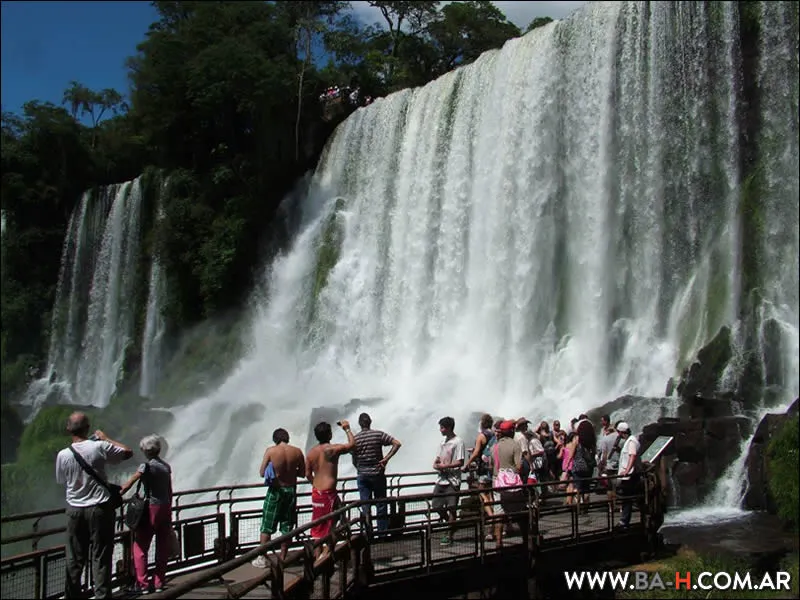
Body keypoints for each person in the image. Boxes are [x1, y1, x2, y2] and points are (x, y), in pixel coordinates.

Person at [55, 412, 133, 599]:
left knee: (74, 559)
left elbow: (61, 480)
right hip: (99, 509)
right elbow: (128, 452)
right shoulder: (99, 446)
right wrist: (106, 438)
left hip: (74, 510)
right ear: (88, 428)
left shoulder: (63, 455)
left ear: (68, 428)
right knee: (101, 557)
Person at [120, 435, 173, 594]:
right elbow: (170, 490)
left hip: (150, 508)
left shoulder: (146, 466)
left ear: (144, 451)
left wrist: (121, 491)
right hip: (165, 507)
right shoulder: (166, 466)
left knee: (141, 546)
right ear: (159, 449)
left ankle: (142, 584)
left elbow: (133, 480)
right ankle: (159, 583)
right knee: (162, 546)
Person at [251, 428, 306, 567]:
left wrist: (273, 469)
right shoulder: (297, 451)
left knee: (267, 525)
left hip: (276, 491)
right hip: (291, 491)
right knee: (287, 525)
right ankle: (283, 557)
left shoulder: (271, 451)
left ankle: (262, 557)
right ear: (287, 438)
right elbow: (303, 473)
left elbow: (262, 473)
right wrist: (291, 471)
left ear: (275, 439)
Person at [306, 420, 355, 558]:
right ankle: (325, 554)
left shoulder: (311, 453)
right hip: (328, 494)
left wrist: (316, 484)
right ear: (329, 434)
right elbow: (352, 445)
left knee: (318, 525)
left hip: (317, 493)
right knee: (332, 524)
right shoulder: (332, 450)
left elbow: (307, 474)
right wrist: (347, 429)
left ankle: (319, 556)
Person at [352, 413, 402, 534]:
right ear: (370, 422)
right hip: (377, 475)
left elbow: (354, 459)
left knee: (365, 506)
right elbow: (397, 443)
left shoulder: (355, 439)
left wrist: (359, 467)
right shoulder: (378, 434)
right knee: (381, 504)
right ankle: (382, 533)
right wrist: (386, 459)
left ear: (359, 424)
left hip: (362, 476)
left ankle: (368, 533)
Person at [431, 416, 466, 546]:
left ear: (449, 428)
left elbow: (460, 461)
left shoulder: (458, 442)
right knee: (436, 505)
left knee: (452, 508)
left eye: (442, 427)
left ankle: (449, 535)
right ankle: (452, 525)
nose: (440, 430)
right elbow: (438, 457)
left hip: (453, 480)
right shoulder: (443, 442)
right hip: (441, 479)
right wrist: (436, 464)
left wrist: (445, 466)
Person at [463, 414, 497, 539]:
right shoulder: (493, 434)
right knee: (491, 495)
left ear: (482, 423)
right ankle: (494, 523)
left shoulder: (481, 436)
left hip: (483, 470)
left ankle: (492, 519)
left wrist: (467, 463)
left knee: (482, 493)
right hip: (492, 469)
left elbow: (477, 452)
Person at [491, 420, 524, 548]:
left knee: (499, 511)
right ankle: (525, 538)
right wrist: (511, 474)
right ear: (512, 431)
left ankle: (499, 541)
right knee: (519, 510)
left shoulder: (495, 446)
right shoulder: (515, 445)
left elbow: (491, 465)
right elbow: (519, 466)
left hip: (497, 482)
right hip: (512, 484)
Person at [615, 422, 641, 528]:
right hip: (627, 475)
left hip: (629, 476)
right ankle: (624, 520)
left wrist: (627, 470)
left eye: (618, 432)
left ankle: (624, 521)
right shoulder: (629, 441)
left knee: (627, 498)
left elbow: (632, 456)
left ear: (621, 432)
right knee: (626, 498)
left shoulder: (631, 441)